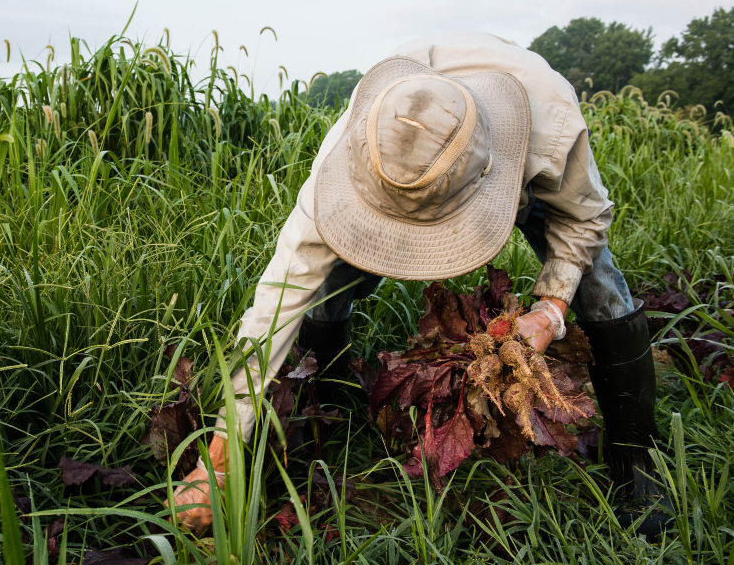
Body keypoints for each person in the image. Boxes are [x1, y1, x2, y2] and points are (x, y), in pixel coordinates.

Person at [168, 32, 669, 537]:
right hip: (398, 170)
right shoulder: (350, 156)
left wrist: (551, 308)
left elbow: (583, 220)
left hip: (523, 160)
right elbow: (275, 308)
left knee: (600, 285)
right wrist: (222, 456)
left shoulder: (551, 120)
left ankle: (639, 460)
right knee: (325, 286)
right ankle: (334, 417)